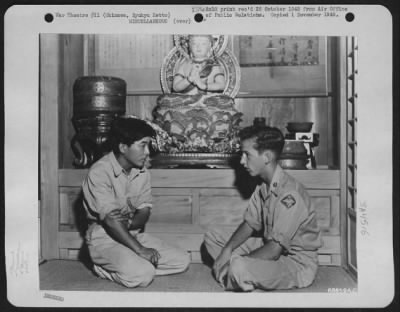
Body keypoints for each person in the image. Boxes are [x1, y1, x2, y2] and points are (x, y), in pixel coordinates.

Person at [203, 125, 322, 291]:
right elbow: (250, 224)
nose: (242, 161)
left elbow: (274, 250)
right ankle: (239, 273)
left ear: (266, 157)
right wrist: (227, 250)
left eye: (247, 155)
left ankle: (237, 273)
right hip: (268, 245)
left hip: (294, 263)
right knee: (213, 236)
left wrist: (239, 262)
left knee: (239, 268)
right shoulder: (263, 186)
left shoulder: (290, 195)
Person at [82, 116, 190, 288]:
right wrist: (140, 250)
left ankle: (135, 265)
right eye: (142, 145)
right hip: (103, 238)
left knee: (182, 260)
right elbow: (110, 221)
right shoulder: (99, 172)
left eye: (148, 145)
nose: (147, 152)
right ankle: (103, 268)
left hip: (131, 234)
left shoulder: (142, 172)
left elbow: (144, 211)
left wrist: (128, 222)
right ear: (123, 147)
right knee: (143, 275)